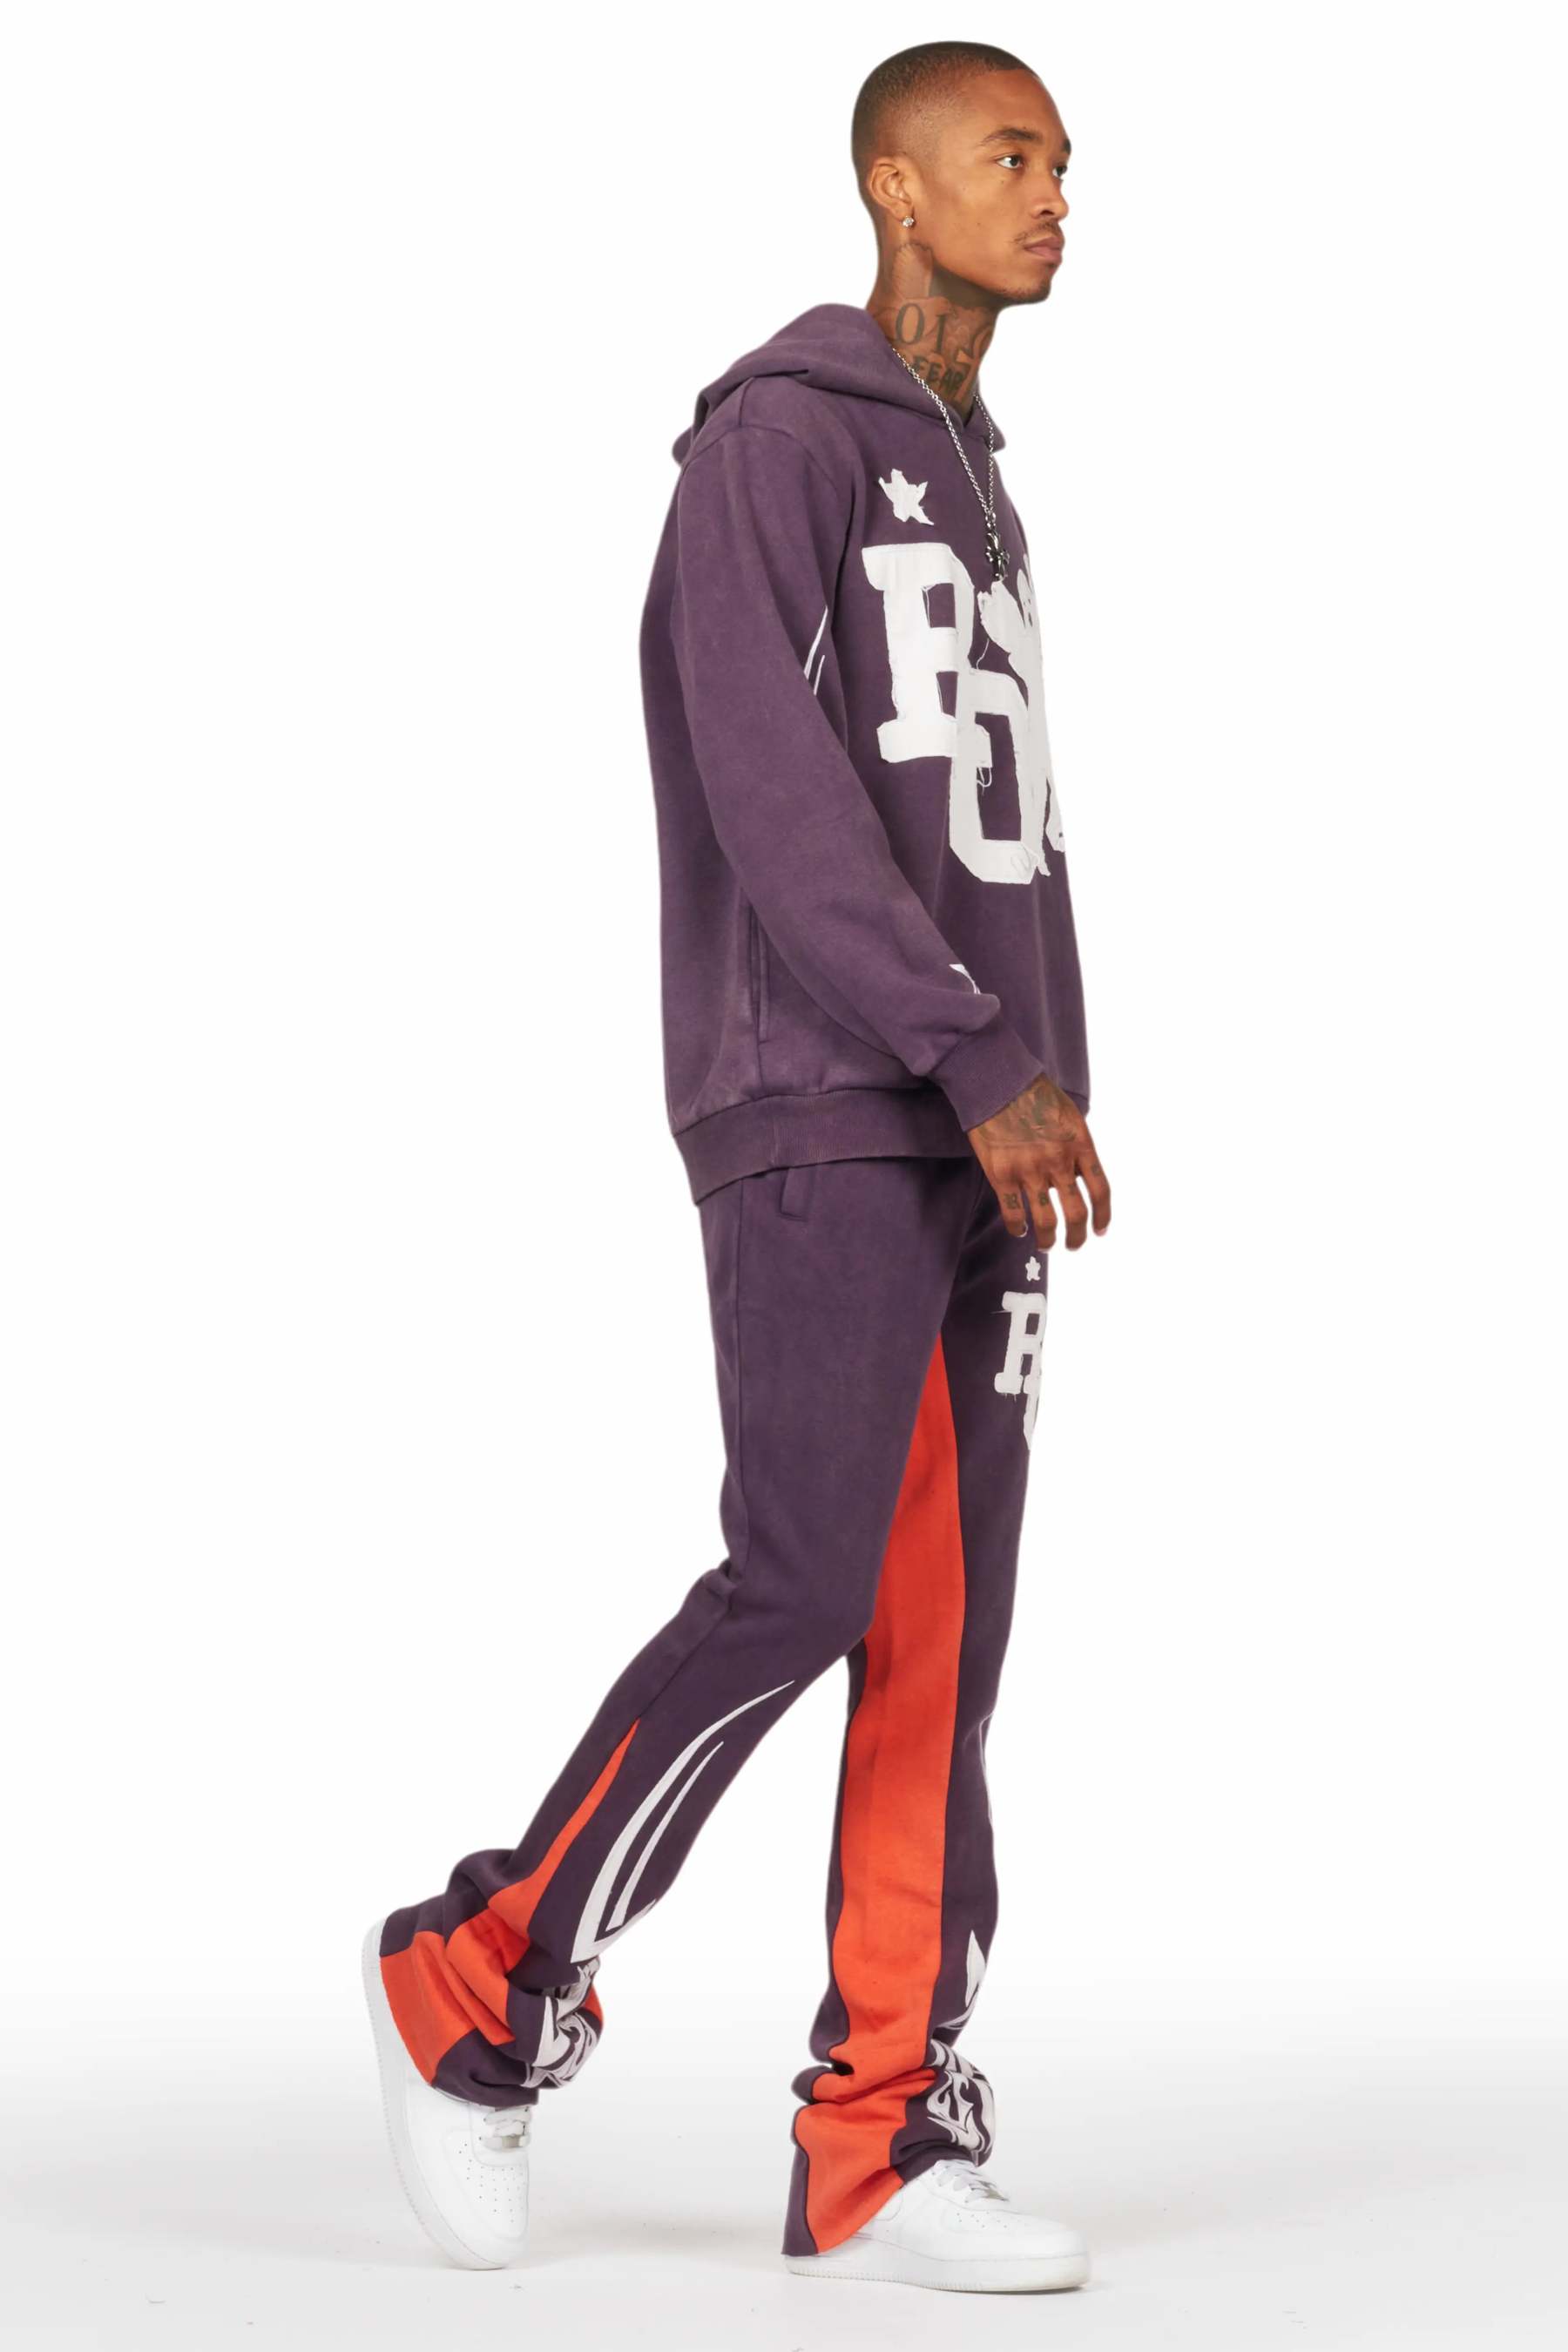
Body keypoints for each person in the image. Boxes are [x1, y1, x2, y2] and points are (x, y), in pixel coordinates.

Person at [361, 38, 1111, 2295]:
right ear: (893, 184)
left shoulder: (975, 479)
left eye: (1065, 162)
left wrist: (1036, 1075)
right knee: (797, 1577)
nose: (1054, 195)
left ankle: (882, 2127)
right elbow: (770, 788)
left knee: (940, 1639)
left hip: (985, 1123)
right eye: (1008, 156)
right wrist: (970, 1053)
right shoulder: (778, 445)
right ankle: (479, 1976)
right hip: (830, 1101)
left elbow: (995, 833)